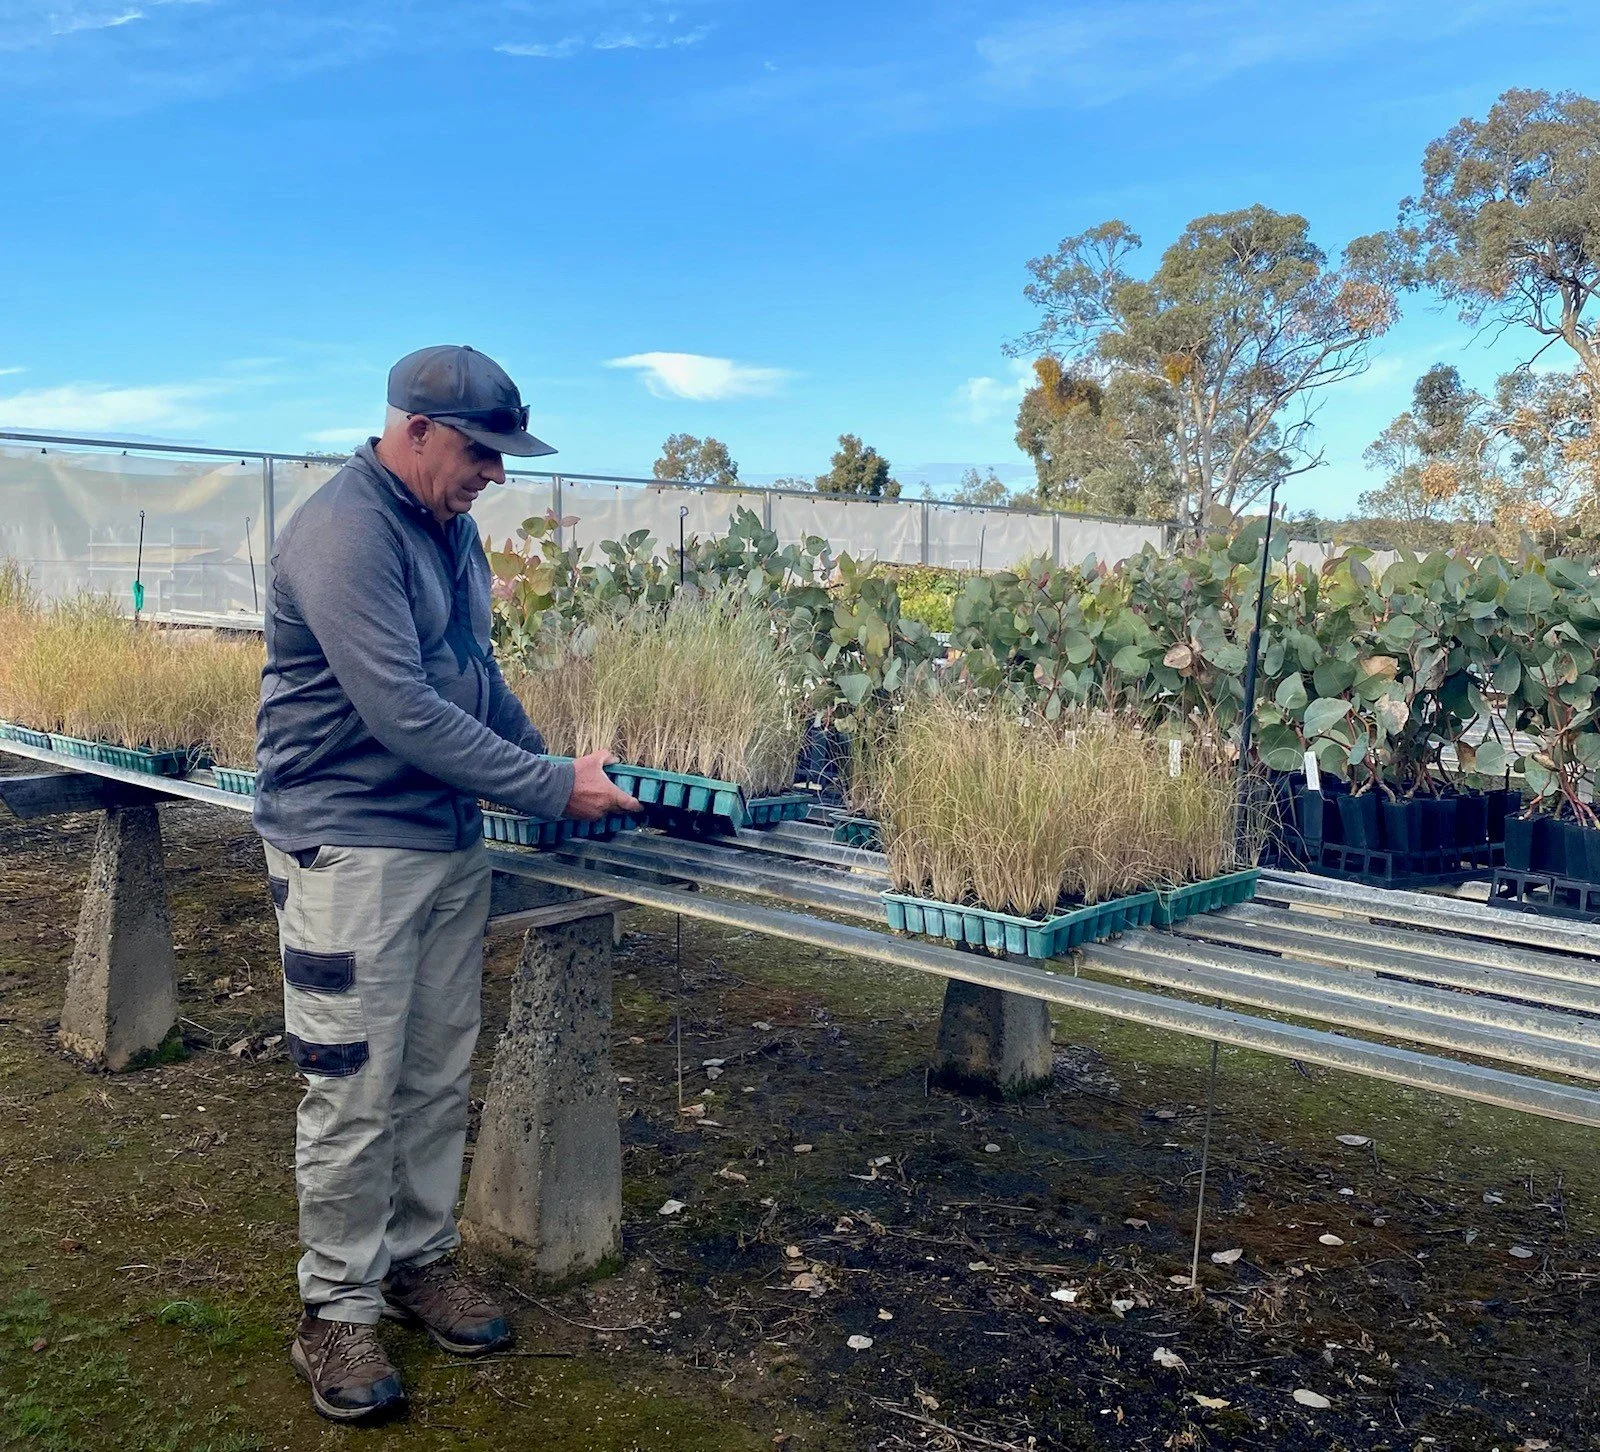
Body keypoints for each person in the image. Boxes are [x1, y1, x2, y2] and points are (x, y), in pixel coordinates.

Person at [253, 344, 639, 1422]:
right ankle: (335, 1310)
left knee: (431, 1073)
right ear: (415, 430)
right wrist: (551, 791)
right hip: (348, 847)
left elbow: (472, 681)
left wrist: (560, 770)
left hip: (441, 841)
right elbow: (402, 713)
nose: (495, 475)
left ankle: (418, 1260)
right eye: (482, 451)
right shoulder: (344, 533)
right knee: (353, 1087)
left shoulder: (448, 529)